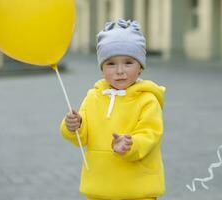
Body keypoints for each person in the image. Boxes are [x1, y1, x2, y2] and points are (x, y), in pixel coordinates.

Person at [60, 18, 166, 200]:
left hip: (137, 189)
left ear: (140, 67)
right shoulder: (93, 97)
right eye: (111, 63)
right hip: (99, 188)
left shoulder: (147, 99)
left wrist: (130, 144)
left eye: (128, 62)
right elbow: (82, 137)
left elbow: (150, 134)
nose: (119, 71)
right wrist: (74, 126)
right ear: (101, 68)